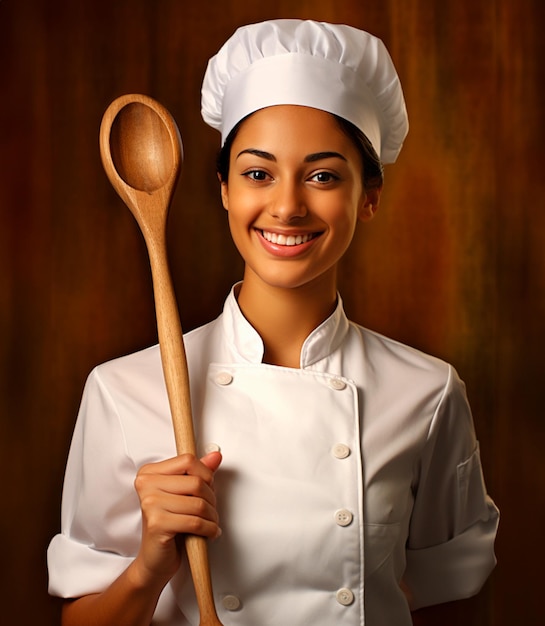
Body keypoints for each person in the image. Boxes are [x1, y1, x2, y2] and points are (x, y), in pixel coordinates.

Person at [47, 19, 499, 626]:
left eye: (323, 175)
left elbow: (443, 592)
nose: (286, 205)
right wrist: (150, 565)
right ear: (225, 190)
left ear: (369, 197)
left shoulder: (429, 393)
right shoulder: (123, 390)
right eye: (257, 173)